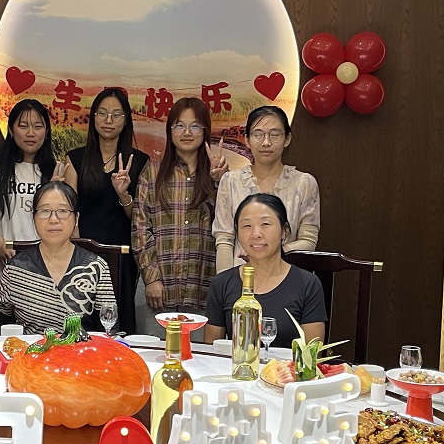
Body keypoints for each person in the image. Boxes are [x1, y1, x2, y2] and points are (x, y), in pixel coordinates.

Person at [132, 98, 230, 323]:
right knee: (153, 347)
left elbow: (227, 228)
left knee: (201, 348)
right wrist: (151, 277)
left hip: (202, 288)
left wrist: (219, 184)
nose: (187, 132)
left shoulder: (220, 175)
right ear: (170, 130)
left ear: (205, 131)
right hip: (158, 289)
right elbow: (140, 228)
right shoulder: (152, 172)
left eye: (195, 126)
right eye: (179, 125)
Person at [63, 88, 149, 332]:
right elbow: (69, 208)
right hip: (82, 253)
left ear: (126, 120)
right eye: (102, 113)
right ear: (93, 118)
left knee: (119, 321)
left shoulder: (139, 162)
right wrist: (77, 246)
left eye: (116, 114)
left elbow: (139, 219)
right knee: (82, 318)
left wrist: (123, 194)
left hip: (122, 256)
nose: (108, 120)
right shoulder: (76, 159)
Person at [203, 193, 327, 347]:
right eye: (247, 226)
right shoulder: (222, 284)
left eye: (265, 224)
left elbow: (312, 355)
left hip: (288, 364)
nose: (256, 234)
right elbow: (212, 350)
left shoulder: (307, 284)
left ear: (284, 231)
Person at [0, 182, 115, 333]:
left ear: (76, 218)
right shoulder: (15, 268)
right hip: (31, 348)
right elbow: (0, 324)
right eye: (45, 211)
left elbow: (109, 326)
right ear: (34, 218)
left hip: (82, 348)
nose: (53, 219)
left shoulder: (96, 267)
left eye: (63, 211)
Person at [213, 104, 320, 273]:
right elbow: (224, 240)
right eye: (258, 135)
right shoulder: (230, 181)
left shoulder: (304, 183)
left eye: (275, 135)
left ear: (287, 139)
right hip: (241, 277)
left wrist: (271, 252)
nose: (266, 142)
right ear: (247, 139)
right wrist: (225, 283)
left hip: (286, 278)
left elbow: (309, 240)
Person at [0, 98, 56, 314]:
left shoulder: (54, 171)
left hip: (42, 274)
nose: (30, 133)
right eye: (23, 126)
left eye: (37, 126)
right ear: (11, 130)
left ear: (46, 132)